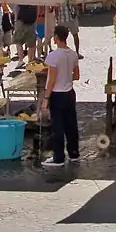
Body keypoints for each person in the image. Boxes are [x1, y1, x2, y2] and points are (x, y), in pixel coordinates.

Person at [42, 25, 82, 168]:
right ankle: (74, 153)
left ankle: (58, 157)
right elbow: (76, 76)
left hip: (57, 94)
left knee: (57, 126)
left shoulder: (53, 56)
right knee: (71, 124)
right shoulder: (73, 54)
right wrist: (66, 76)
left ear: (56, 37)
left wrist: (46, 98)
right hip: (70, 93)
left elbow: (51, 80)